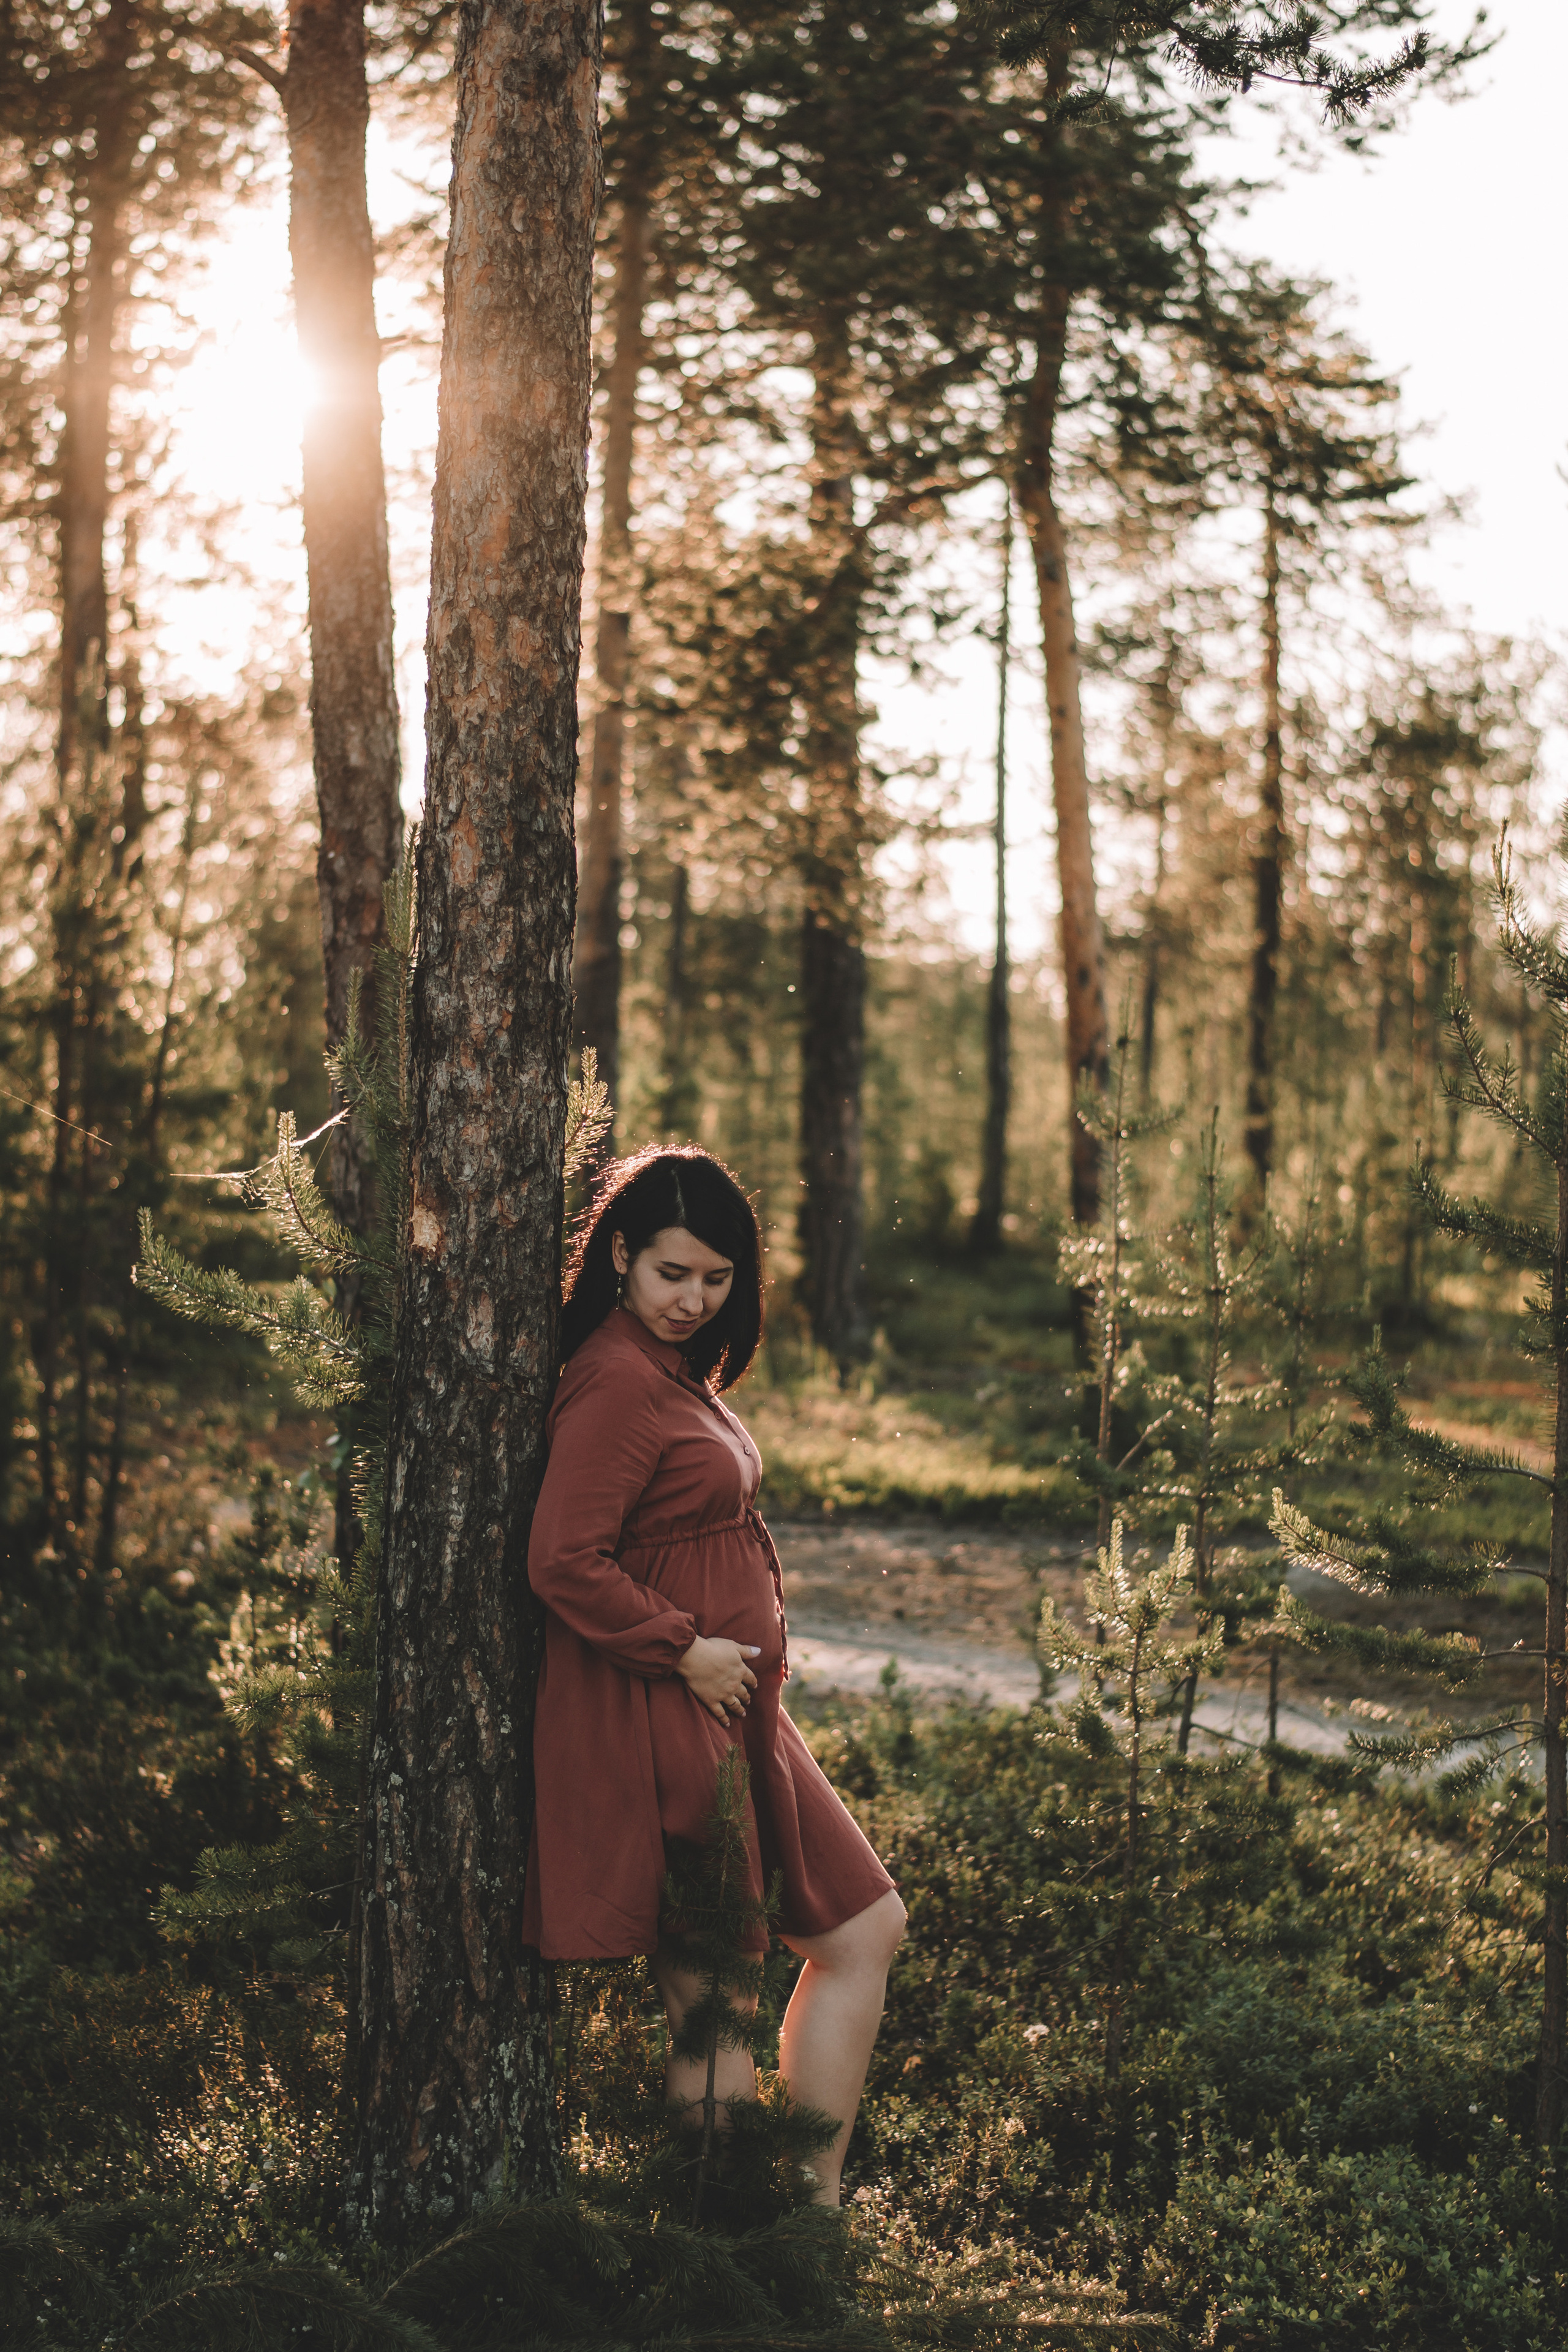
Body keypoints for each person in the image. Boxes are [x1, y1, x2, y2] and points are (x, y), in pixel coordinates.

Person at [524, 1145, 905, 2204]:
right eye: (671, 1273)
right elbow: (560, 1558)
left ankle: (806, 2220)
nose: (693, 1299)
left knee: (862, 1928)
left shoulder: (668, 1367)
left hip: (735, 1710)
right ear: (618, 1256)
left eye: (717, 1278)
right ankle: (727, 2253)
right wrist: (679, 1647)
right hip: (666, 1710)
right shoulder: (611, 1379)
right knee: (716, 1999)